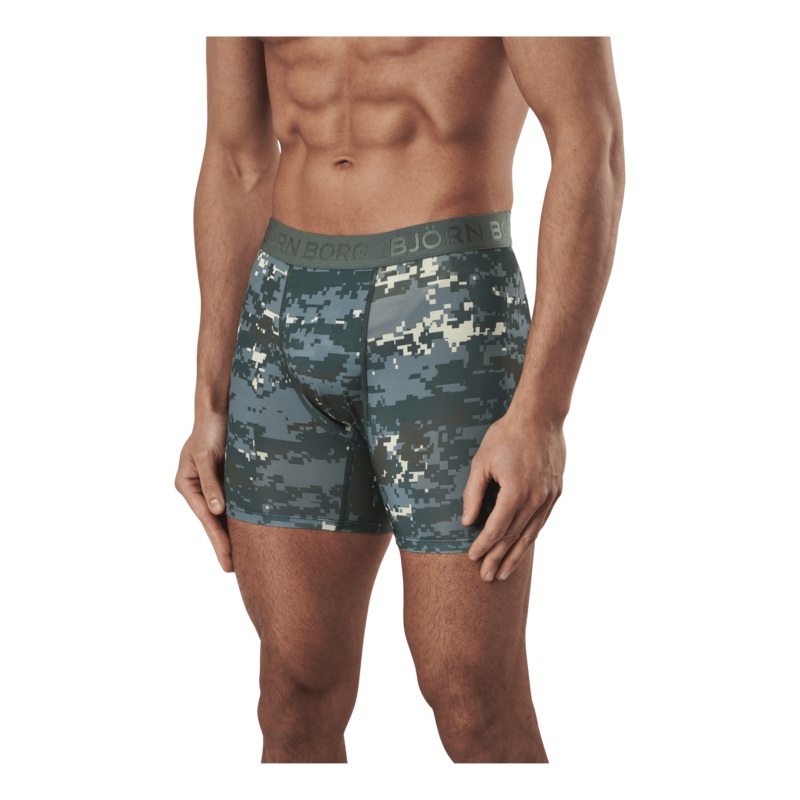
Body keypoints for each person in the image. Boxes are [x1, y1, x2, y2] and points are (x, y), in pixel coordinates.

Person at [175, 35, 625, 764]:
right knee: (293, 693)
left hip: (448, 307)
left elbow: (589, 141)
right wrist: (210, 399)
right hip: (284, 313)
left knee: (471, 696)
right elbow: (237, 159)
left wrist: (543, 412)